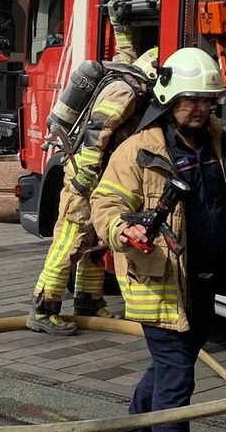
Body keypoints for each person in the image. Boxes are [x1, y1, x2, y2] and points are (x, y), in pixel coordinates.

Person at [90, 47, 226, 432]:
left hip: (203, 280)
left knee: (178, 361)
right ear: (168, 97)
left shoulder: (223, 145)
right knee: (177, 376)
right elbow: (103, 206)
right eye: (190, 100)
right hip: (159, 282)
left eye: (207, 100)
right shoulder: (139, 150)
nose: (199, 108)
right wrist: (124, 230)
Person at [28, 44, 159, 334]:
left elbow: (126, 51)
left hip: (98, 177)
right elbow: (97, 130)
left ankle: (88, 303)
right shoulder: (125, 92)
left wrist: (120, 28)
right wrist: (85, 175)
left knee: (96, 243)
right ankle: (43, 308)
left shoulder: (129, 77)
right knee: (70, 241)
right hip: (86, 177)